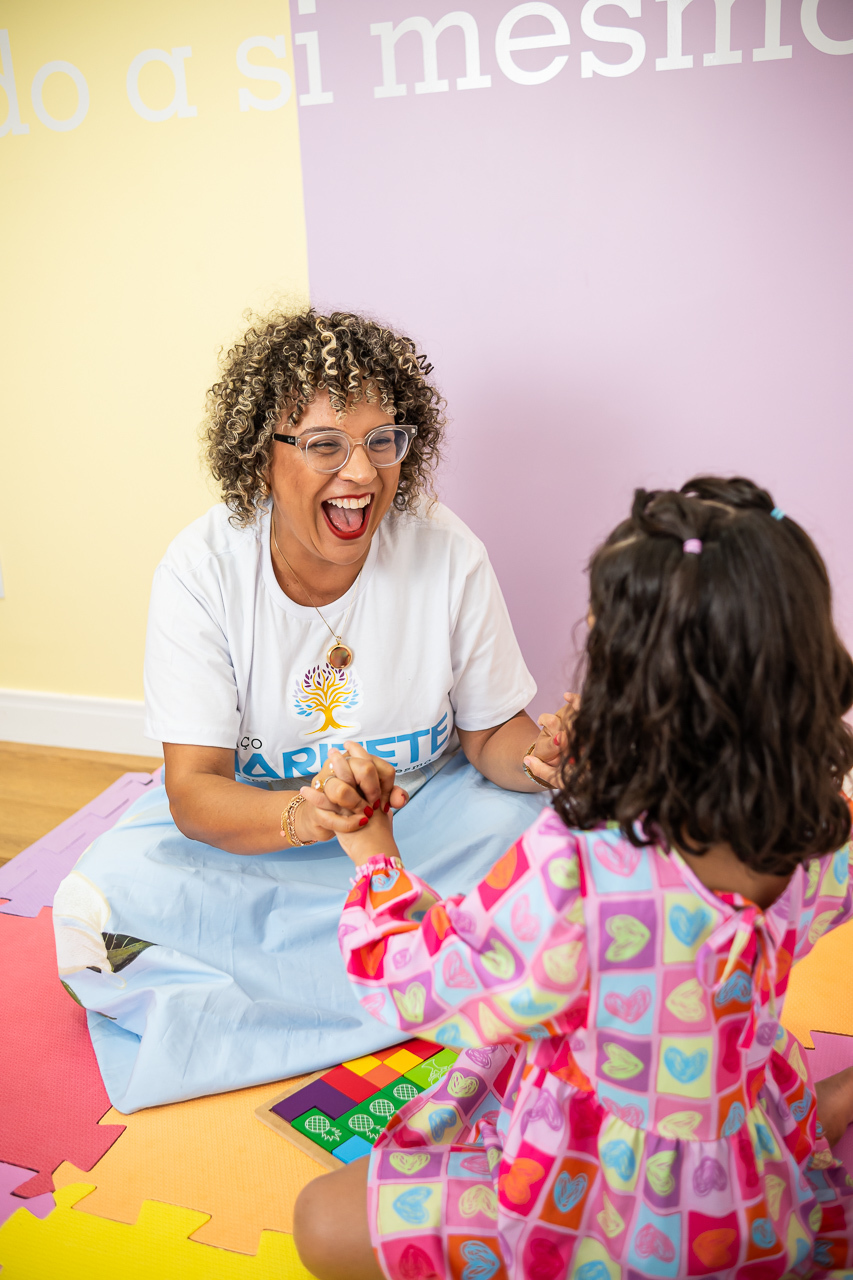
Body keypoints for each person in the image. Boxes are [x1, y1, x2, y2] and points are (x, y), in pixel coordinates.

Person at [293, 476, 853, 1280]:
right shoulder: (820, 824)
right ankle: (813, 1128)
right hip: (744, 1180)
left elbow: (414, 981)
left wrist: (373, 851)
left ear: (635, 688)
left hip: (601, 1209)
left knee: (321, 1217)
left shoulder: (582, 866)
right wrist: (609, 768)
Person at [52, 308, 566, 1112]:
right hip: (256, 842)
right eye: (326, 444)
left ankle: (322, 989)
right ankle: (425, 977)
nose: (360, 473)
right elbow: (193, 790)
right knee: (96, 909)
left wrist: (545, 763)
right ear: (263, 456)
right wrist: (312, 815)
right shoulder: (202, 569)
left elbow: (493, 733)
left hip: (419, 828)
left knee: (560, 834)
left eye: (381, 440)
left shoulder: (445, 549)